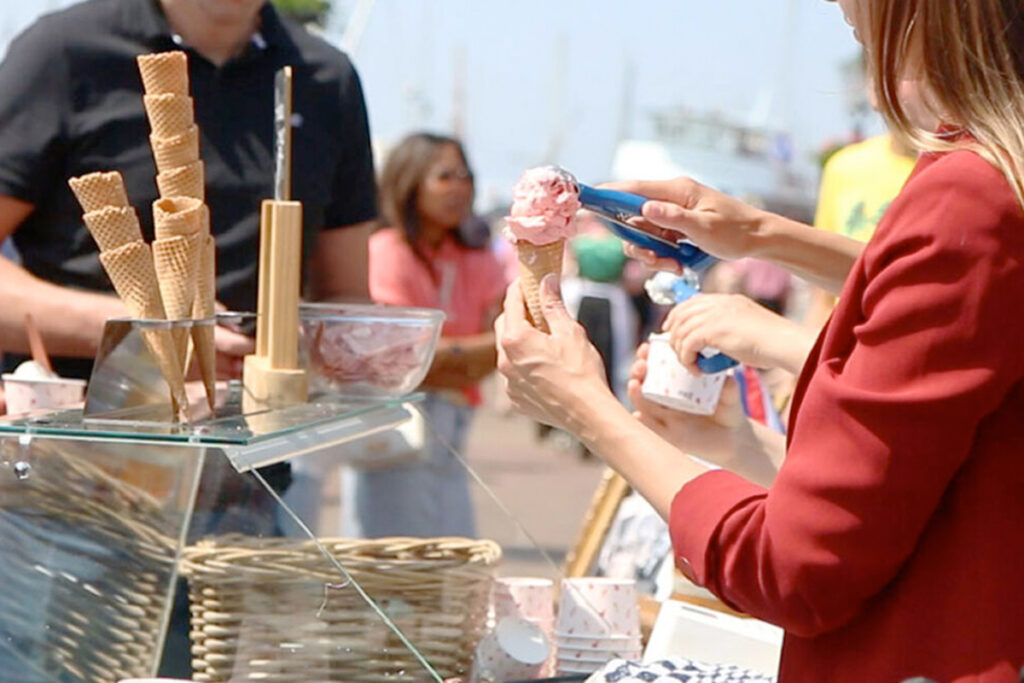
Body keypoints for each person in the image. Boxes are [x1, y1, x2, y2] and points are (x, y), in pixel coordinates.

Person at [496, 0, 1024, 679]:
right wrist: (755, 234)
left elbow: (795, 567)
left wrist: (586, 408)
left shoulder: (970, 195)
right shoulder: (988, 177)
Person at [0, 0, 378, 676]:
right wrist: (154, 336)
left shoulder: (325, 77)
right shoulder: (64, 51)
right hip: (68, 493)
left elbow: (346, 292)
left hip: (241, 491)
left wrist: (325, 348)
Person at [341, 132, 504, 539]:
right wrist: (477, 351)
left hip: (455, 424)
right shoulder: (387, 250)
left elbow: (498, 345)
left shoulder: (474, 256)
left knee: (451, 558)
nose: (460, 188)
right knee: (393, 561)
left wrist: (450, 356)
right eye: (444, 176)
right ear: (410, 182)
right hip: (397, 427)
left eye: (465, 176)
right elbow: (401, 359)